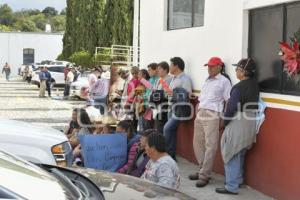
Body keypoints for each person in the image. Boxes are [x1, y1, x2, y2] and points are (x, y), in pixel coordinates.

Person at [216, 58, 259, 195]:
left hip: (239, 119)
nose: (235, 71)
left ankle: (231, 186)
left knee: (231, 152)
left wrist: (224, 122)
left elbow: (230, 108)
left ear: (244, 72)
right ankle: (238, 180)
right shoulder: (254, 85)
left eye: (237, 69)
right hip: (250, 120)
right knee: (240, 152)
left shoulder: (239, 87)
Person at [189, 57, 232, 188]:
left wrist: (223, 118)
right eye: (208, 66)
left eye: (212, 66)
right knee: (197, 142)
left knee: (211, 145)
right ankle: (202, 168)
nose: (209, 68)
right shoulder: (207, 80)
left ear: (219, 66)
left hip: (213, 114)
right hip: (201, 111)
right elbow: (205, 97)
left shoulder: (224, 81)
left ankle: (205, 174)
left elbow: (228, 100)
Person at [163, 57, 192, 160]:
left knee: (167, 128)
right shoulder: (173, 78)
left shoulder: (185, 79)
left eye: (171, 65)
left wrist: (173, 94)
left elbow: (187, 96)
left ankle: (167, 154)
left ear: (176, 66)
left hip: (178, 109)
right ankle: (171, 155)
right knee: (172, 131)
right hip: (170, 107)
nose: (169, 67)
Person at [152, 62, 172, 134]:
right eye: (157, 69)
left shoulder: (170, 79)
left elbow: (167, 93)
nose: (158, 71)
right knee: (156, 129)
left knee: (161, 130)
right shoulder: (158, 79)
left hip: (164, 108)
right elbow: (154, 91)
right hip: (156, 108)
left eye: (159, 69)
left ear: (165, 69)